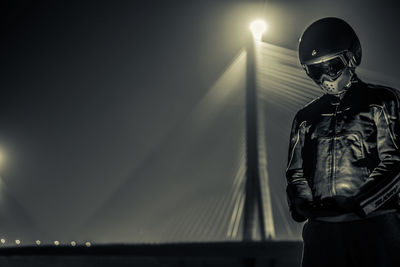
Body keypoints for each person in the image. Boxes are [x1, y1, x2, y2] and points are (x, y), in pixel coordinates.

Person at [286, 17, 400, 267]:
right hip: (322, 232)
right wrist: (302, 203)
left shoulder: (382, 102)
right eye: (315, 70)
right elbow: (296, 172)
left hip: (375, 227)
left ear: (351, 58)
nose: (325, 77)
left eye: (333, 66)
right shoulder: (306, 118)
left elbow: (395, 163)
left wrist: (358, 203)